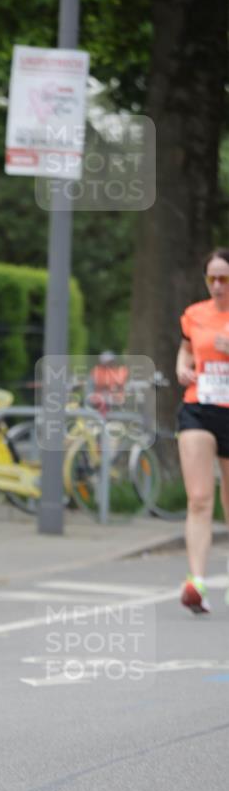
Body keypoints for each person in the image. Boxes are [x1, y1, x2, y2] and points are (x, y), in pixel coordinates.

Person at [175, 247, 229, 613]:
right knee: (198, 498)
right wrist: (182, 366)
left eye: (224, 278)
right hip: (199, 406)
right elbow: (185, 350)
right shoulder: (194, 314)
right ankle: (197, 583)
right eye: (211, 278)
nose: (217, 285)